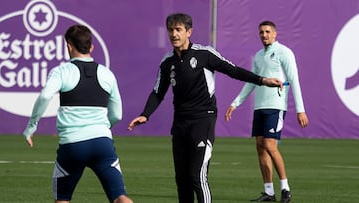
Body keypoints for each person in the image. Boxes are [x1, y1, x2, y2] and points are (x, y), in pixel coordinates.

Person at [127, 13, 283, 203]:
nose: (174, 34)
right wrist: (145, 114)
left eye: (178, 30)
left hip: (203, 120)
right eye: (170, 30)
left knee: (196, 177)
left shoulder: (204, 54)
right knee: (182, 181)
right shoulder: (167, 63)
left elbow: (233, 70)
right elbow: (158, 92)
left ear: (189, 32)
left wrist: (262, 80)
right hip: (180, 124)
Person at [23, 24, 133, 203]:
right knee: (119, 197)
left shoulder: (61, 72)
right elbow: (117, 115)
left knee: (63, 199)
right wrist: (101, 128)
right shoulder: (107, 74)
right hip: (102, 144)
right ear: (91, 47)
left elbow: (44, 96)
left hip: (73, 146)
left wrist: (31, 126)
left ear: (68, 46)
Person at [225, 21, 309, 203]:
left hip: (276, 106)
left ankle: (285, 189)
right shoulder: (258, 56)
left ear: (275, 34)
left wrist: (300, 110)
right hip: (260, 107)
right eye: (261, 32)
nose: (264, 35)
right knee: (261, 148)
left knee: (271, 146)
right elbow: (252, 82)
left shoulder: (284, 52)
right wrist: (235, 103)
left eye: (268, 31)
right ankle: (269, 192)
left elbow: (294, 81)